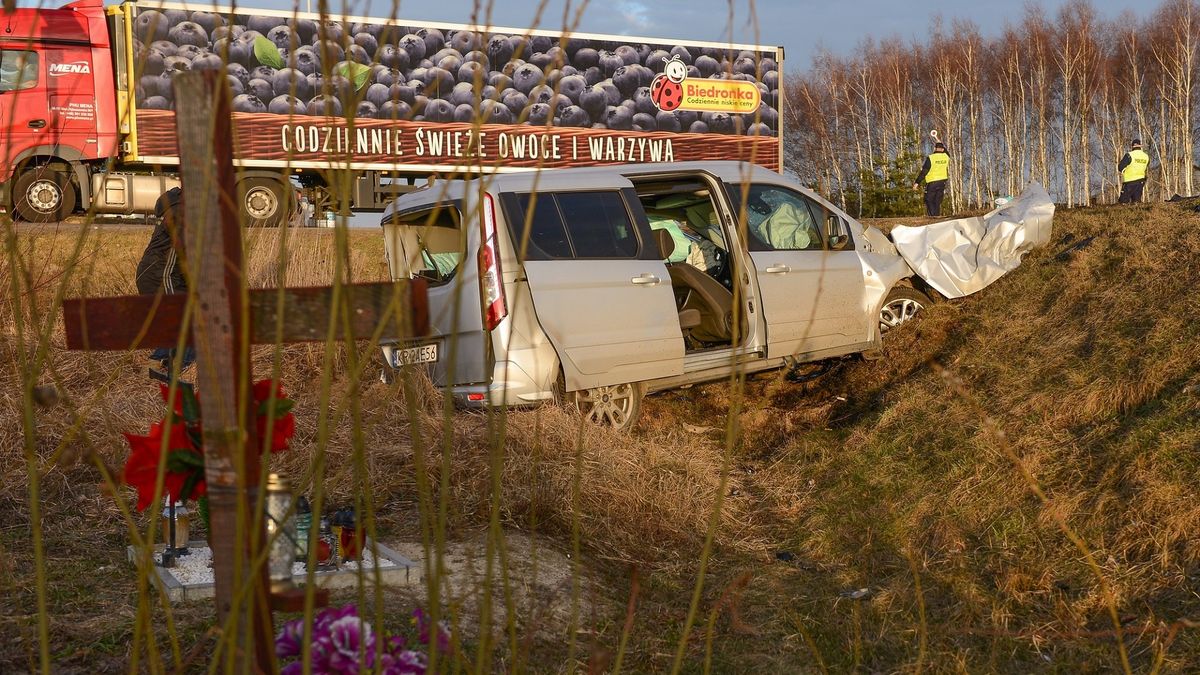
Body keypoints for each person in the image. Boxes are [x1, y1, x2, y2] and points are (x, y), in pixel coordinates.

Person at [135, 187, 195, 372]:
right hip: (161, 275)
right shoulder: (180, 213)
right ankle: (175, 366)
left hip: (162, 274)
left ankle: (164, 362)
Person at [913, 141, 950, 217]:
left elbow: (924, 171)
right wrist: (940, 141)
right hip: (942, 183)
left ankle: (932, 218)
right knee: (937, 201)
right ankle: (937, 217)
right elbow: (946, 152)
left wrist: (917, 183)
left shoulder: (931, 158)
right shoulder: (946, 157)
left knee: (929, 200)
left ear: (934, 148)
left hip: (932, 182)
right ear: (942, 149)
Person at [1117, 139, 1149, 204]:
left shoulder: (1129, 155)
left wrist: (1124, 171)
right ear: (1140, 146)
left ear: (1132, 146)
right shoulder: (1146, 156)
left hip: (1129, 182)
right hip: (1140, 182)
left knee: (1123, 202)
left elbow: (1120, 167)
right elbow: (1146, 167)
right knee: (1136, 202)